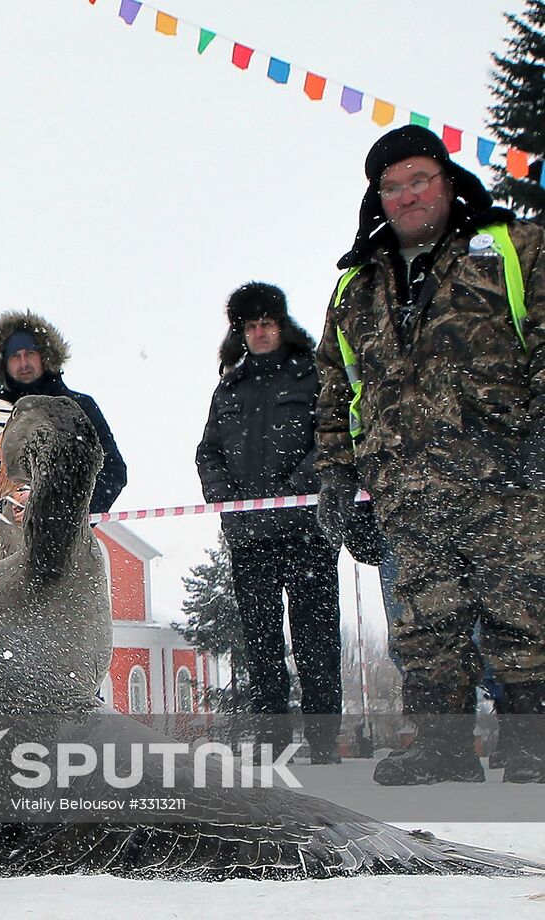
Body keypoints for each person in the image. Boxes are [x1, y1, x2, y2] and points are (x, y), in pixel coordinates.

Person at [313, 124, 545, 785]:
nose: (409, 196)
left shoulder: (510, 249)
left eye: (420, 180)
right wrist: (337, 478)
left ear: (446, 181)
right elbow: (338, 387)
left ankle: (532, 740)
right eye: (393, 186)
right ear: (377, 199)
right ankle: (442, 747)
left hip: (509, 479)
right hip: (407, 489)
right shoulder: (355, 287)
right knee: (423, 621)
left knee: (524, 610)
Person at [196, 283, 343, 762]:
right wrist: (226, 499)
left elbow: (333, 440)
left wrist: (294, 489)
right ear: (242, 332)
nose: (260, 332)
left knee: (315, 638)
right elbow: (208, 451)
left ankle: (322, 742)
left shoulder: (312, 376)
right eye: (251, 325)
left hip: (308, 531)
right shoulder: (229, 386)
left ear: (283, 325)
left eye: (268, 323)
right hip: (249, 537)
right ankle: (271, 739)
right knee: (260, 643)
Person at [0, 310, 127, 513]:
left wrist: (58, 507)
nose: (23, 363)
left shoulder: (79, 407)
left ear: (44, 356)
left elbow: (112, 472)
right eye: (14, 356)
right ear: (3, 363)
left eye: (29, 353)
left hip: (63, 537)